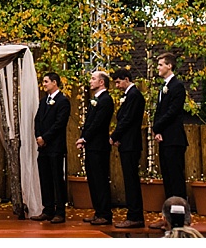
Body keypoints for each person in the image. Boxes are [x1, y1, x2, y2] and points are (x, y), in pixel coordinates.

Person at [31, 71, 71, 224]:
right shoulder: (43, 101)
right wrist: (38, 136)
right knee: (44, 178)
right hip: (43, 147)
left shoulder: (63, 101)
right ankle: (47, 209)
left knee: (56, 179)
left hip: (55, 146)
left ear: (55, 82)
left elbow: (59, 124)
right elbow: (38, 120)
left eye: (46, 81)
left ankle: (60, 211)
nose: (44, 84)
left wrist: (45, 138)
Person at [76, 70, 114, 226]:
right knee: (93, 179)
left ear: (101, 82)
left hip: (99, 146)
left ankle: (105, 213)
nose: (90, 81)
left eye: (93, 79)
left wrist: (84, 137)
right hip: (91, 146)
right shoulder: (95, 100)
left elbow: (98, 123)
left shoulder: (106, 100)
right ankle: (98, 211)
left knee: (100, 180)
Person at [110, 66, 146, 228]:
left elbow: (127, 120)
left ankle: (135, 215)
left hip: (131, 143)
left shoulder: (134, 96)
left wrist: (114, 136)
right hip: (127, 142)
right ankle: (133, 214)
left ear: (126, 79)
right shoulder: (129, 95)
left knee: (131, 181)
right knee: (129, 180)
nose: (117, 86)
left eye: (118, 82)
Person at [150, 52, 188, 200]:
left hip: (174, 138)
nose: (158, 68)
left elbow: (173, 111)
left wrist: (156, 127)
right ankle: (169, 213)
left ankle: (179, 213)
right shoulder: (163, 87)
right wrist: (157, 130)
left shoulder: (177, 86)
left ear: (169, 66)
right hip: (164, 137)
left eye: (160, 65)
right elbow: (159, 111)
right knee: (167, 177)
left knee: (175, 177)